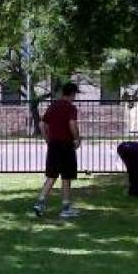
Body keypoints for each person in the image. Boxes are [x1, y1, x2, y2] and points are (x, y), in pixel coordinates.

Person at [33, 82, 81, 218]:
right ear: (72, 93)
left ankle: (40, 203)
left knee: (52, 175)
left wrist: (48, 139)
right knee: (66, 176)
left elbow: (42, 124)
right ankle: (65, 208)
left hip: (53, 145)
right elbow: (72, 124)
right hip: (66, 144)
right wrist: (77, 138)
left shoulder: (52, 106)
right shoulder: (70, 107)